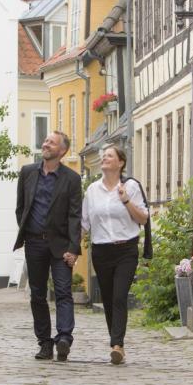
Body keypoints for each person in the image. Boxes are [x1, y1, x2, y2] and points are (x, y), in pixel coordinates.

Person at [14, 131, 82, 361]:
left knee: (63, 292)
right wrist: (27, 232)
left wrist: (74, 248)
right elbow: (20, 208)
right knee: (38, 295)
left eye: (51, 143)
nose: (45, 144)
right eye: (45, 141)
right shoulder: (27, 173)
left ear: (62, 151)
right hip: (34, 243)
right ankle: (44, 343)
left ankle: (64, 338)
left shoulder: (72, 179)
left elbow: (75, 216)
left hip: (61, 245)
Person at [82, 146, 149, 364]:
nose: (104, 158)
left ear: (120, 162)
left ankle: (117, 345)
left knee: (119, 296)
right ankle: (117, 342)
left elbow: (143, 219)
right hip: (101, 251)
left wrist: (126, 200)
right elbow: (84, 224)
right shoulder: (92, 190)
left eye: (109, 155)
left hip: (126, 249)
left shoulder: (131, 186)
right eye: (104, 156)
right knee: (109, 300)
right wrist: (69, 246)